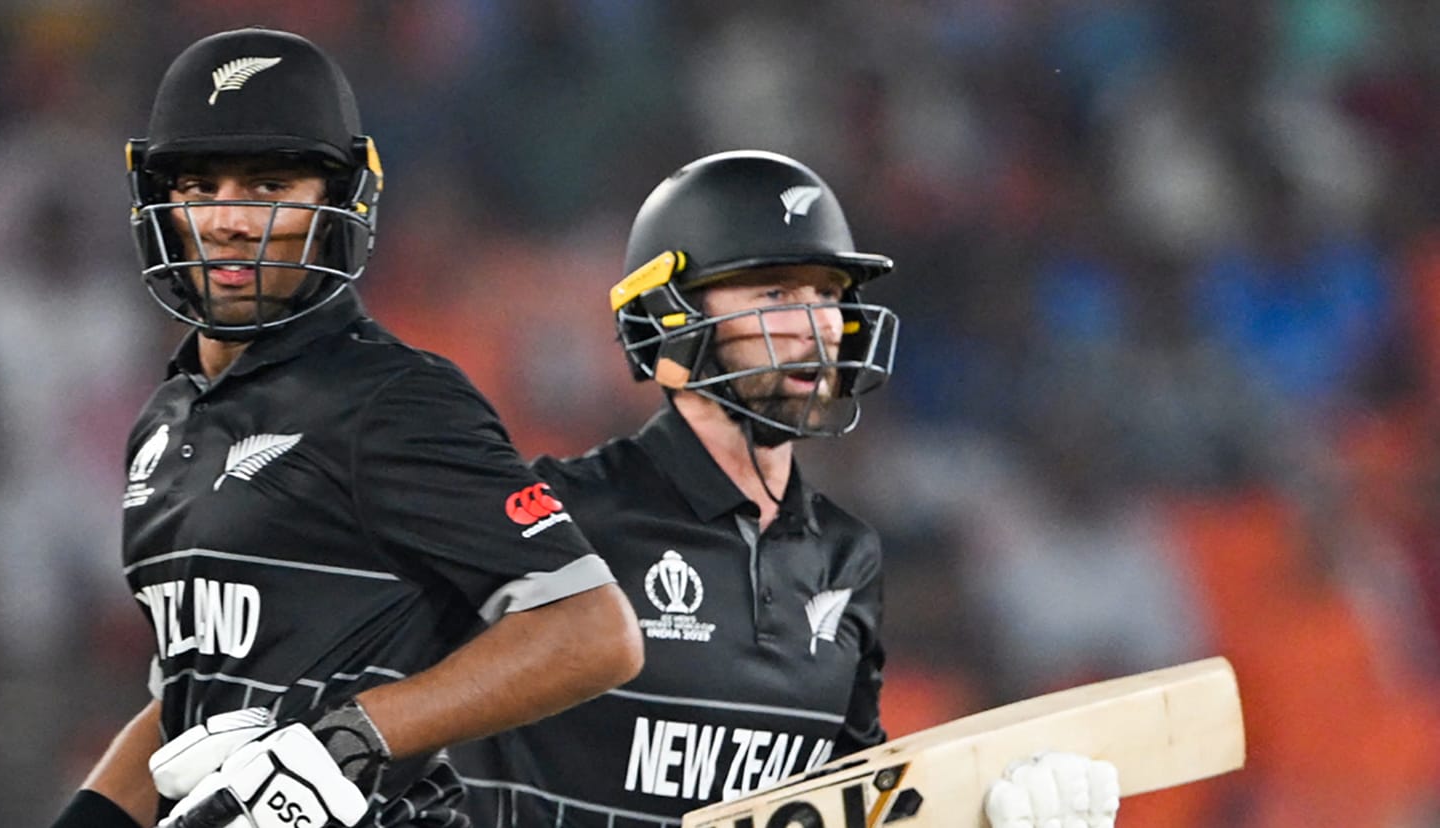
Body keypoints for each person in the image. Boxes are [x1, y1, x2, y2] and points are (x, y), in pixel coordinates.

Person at [47, 27, 644, 828]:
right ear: (161, 205)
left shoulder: (389, 398)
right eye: (198, 185)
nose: (228, 220)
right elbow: (191, 696)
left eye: (268, 188)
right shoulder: (164, 424)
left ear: (337, 202)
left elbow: (593, 630)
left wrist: (351, 739)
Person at [448, 151, 1119, 828]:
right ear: (669, 316)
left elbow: (851, 808)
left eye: (826, 294)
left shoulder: (845, 556)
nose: (817, 326)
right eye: (775, 294)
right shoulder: (565, 518)